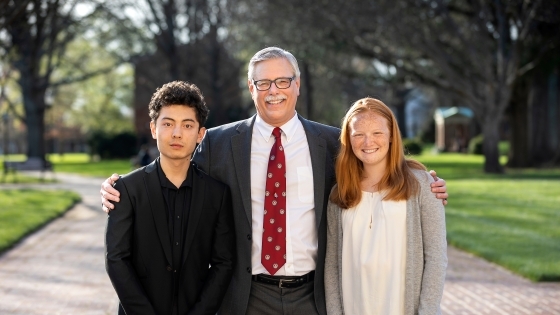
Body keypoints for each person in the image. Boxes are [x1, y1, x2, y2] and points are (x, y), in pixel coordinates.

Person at [100, 47, 449, 315]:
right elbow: (173, 171)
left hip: (313, 296)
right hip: (247, 295)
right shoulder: (219, 143)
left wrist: (424, 181)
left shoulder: (330, 143)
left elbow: (375, 156)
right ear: (251, 88)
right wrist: (120, 187)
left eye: (282, 81)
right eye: (263, 83)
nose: (273, 91)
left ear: (296, 85)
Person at [105, 81, 235, 315]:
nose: (177, 133)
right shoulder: (126, 189)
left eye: (187, 125)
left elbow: (223, 264)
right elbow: (116, 259)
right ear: (154, 129)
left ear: (200, 134)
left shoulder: (217, 195)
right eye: (168, 124)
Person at [324, 97, 447, 315]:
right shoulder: (340, 194)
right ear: (348, 140)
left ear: (391, 136)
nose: (367, 142)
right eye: (358, 134)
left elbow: (436, 258)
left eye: (377, 133)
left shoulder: (423, 186)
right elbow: (332, 266)